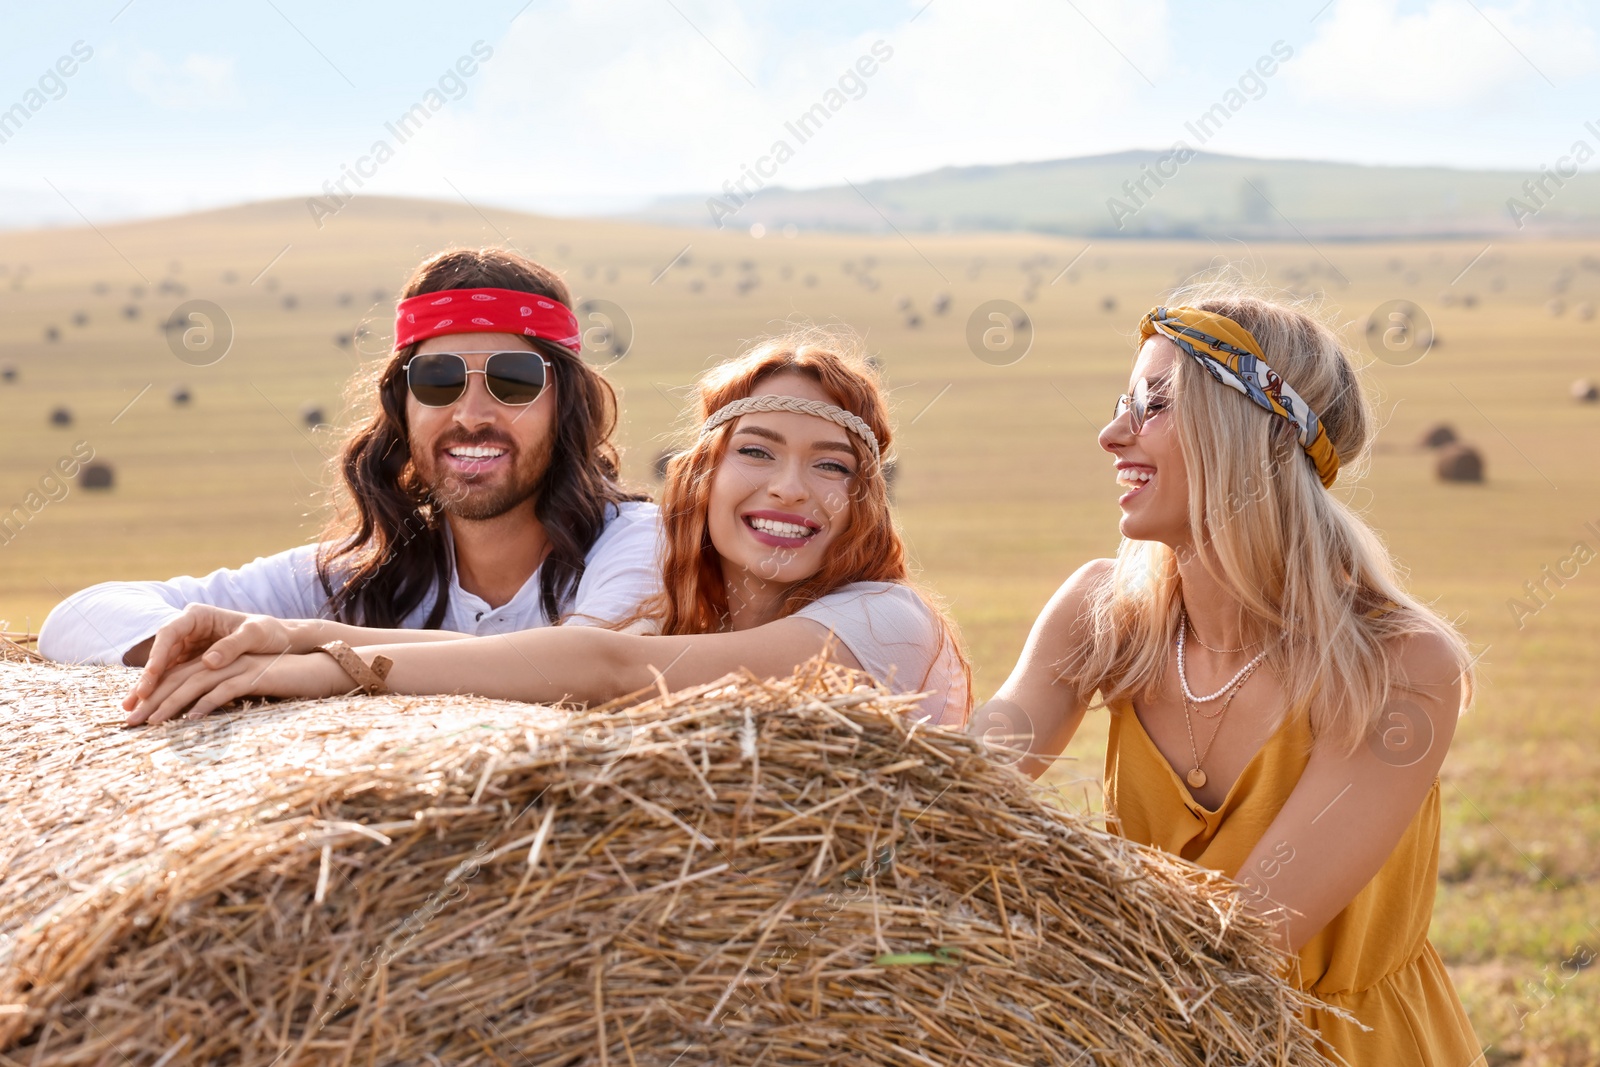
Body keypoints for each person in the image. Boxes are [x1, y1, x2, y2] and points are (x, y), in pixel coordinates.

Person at [976, 285, 1481, 1064]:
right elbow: (956, 778)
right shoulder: (1099, 613)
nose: (1113, 434)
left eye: (1152, 405)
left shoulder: (1399, 667)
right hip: (1149, 1039)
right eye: (1123, 403)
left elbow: (1241, 938)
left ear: (1245, 435)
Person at [124, 330, 970, 729]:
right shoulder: (683, 617)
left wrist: (316, 656)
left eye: (832, 465)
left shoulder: (879, 621)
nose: (792, 488)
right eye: (758, 450)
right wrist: (297, 642)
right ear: (704, 473)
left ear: (866, 496)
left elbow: (598, 664)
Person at [40, 248, 661, 683]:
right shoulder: (363, 575)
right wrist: (221, 649)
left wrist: (308, 654)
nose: (472, 413)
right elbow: (80, 618)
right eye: (438, 380)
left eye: (514, 379)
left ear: (566, 404)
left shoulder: (637, 542)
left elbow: (585, 662)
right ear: (402, 406)